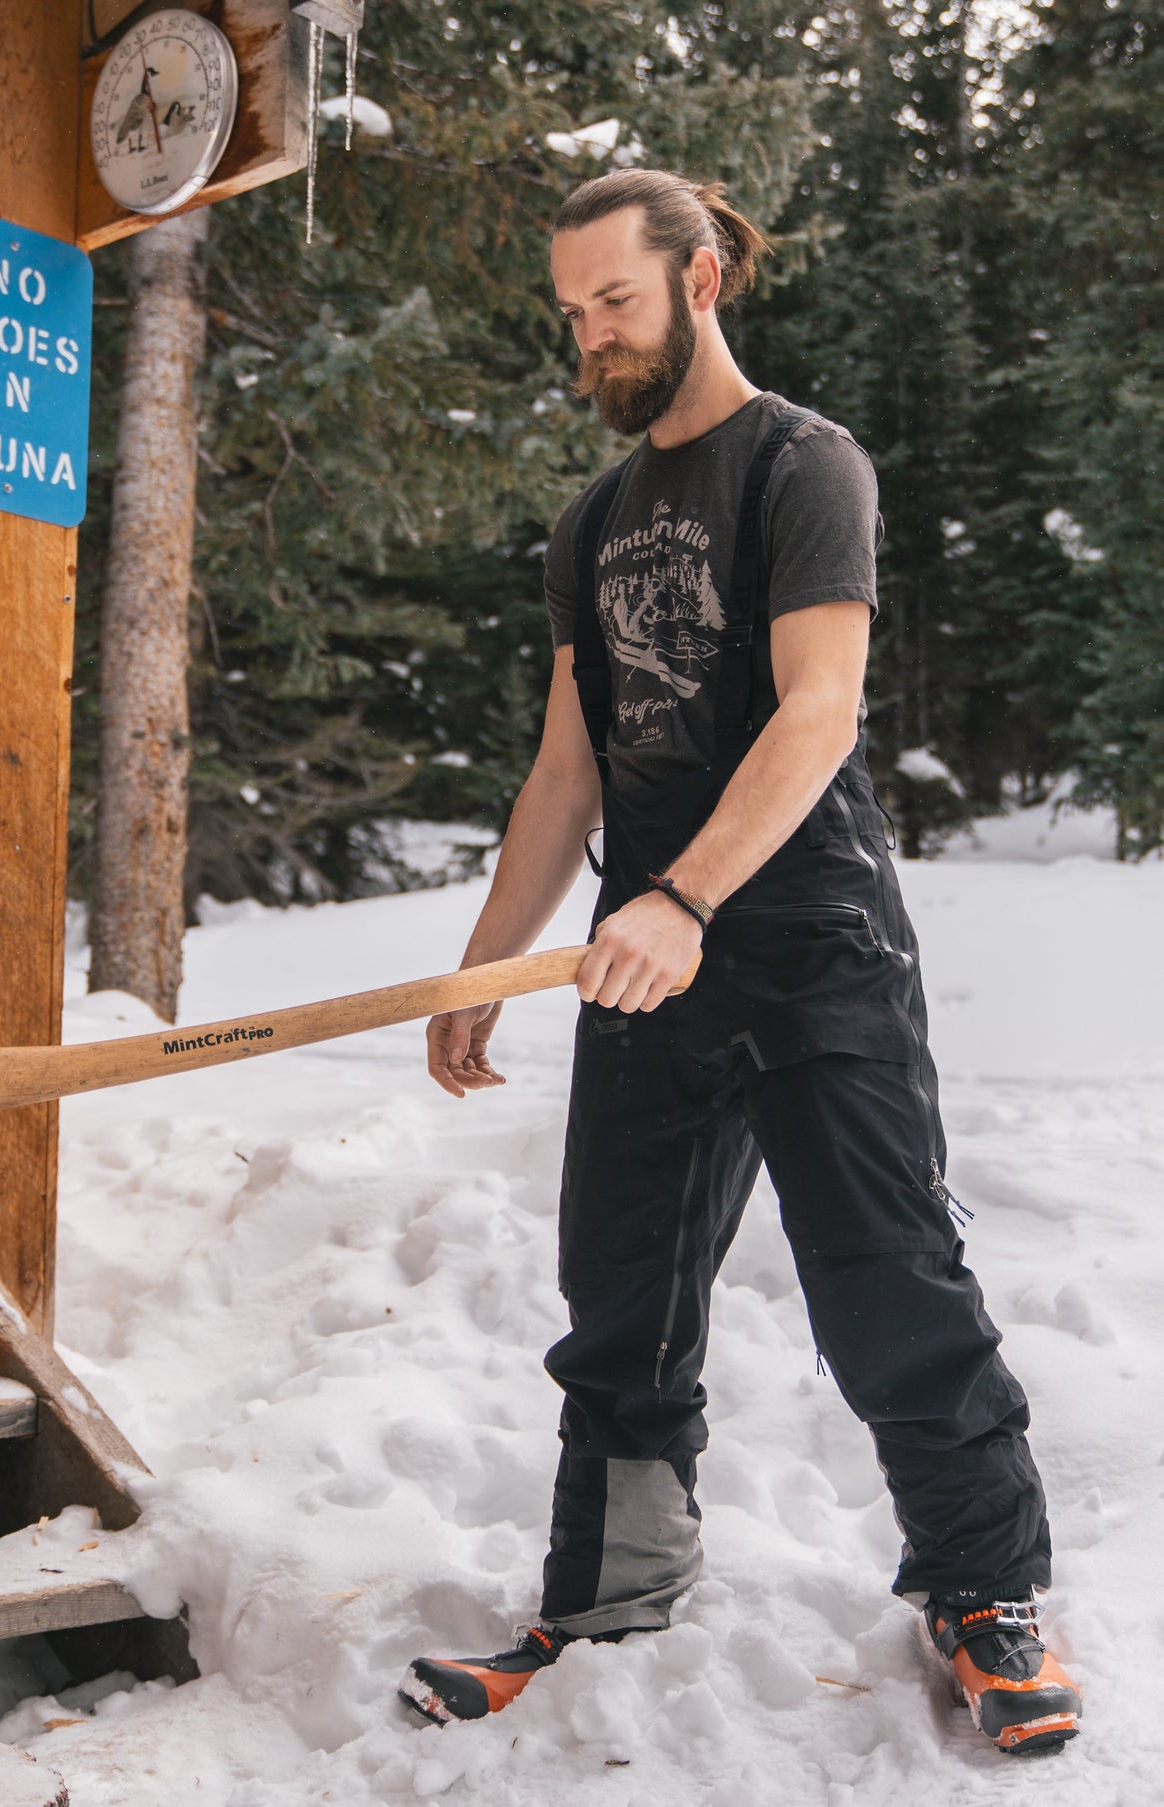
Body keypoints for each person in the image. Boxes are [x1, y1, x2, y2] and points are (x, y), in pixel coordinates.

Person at [397, 169, 1080, 1757]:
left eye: (614, 301)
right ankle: (609, 1591)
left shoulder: (799, 463)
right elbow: (567, 772)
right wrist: (482, 966)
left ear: (701, 277)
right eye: (570, 312)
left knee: (885, 1279)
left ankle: (981, 1593)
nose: (590, 336)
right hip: (646, 966)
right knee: (620, 1300)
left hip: (803, 939)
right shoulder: (589, 522)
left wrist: (686, 900)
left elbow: (818, 710)